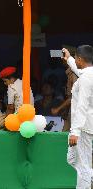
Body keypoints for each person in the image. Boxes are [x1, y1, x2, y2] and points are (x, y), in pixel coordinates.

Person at [63, 45, 93, 189]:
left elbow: (82, 106)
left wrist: (75, 132)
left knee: (83, 166)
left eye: (75, 58)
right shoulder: (88, 74)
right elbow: (79, 70)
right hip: (85, 125)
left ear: (80, 59)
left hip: (83, 128)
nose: (75, 60)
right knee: (72, 159)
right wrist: (69, 58)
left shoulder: (87, 78)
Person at [51, 49, 78, 131]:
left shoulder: (74, 73)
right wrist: (65, 110)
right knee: (66, 133)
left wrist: (58, 109)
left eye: (63, 57)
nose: (62, 59)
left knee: (71, 135)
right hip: (71, 108)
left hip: (76, 110)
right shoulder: (70, 72)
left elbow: (74, 96)